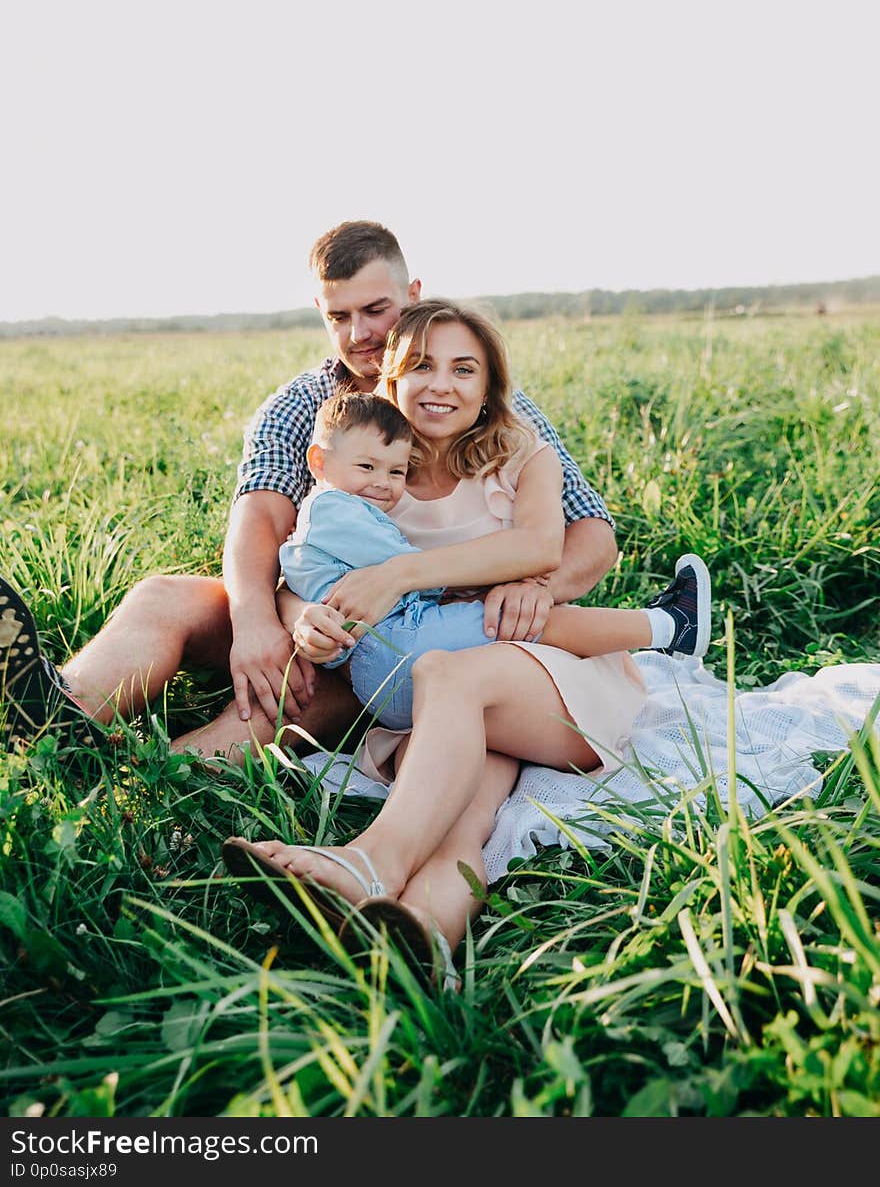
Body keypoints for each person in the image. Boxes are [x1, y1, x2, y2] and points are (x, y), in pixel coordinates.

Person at [222, 299, 712, 981]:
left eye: (463, 369)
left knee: (447, 673)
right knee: (465, 811)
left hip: (551, 680)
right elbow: (312, 558)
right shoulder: (373, 471)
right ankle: (422, 935)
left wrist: (402, 575)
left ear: (488, 387)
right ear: (387, 378)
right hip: (458, 708)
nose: (441, 385)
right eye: (421, 366)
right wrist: (303, 613)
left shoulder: (521, 455)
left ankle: (369, 860)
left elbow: (542, 543)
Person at [0, 221, 618, 758]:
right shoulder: (306, 404)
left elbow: (588, 529)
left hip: (419, 629)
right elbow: (261, 521)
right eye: (338, 317)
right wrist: (258, 623)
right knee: (165, 597)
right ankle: (56, 716)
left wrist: (534, 591)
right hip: (314, 599)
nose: (359, 335)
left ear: (413, 294)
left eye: (376, 310)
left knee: (302, 691)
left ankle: (160, 778)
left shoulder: (476, 400)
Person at [275, 385, 710, 735]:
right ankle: (669, 626)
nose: (383, 484)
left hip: (378, 673)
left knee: (521, 630)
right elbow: (412, 570)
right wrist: (478, 584)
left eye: (396, 472)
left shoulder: (327, 519)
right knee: (530, 622)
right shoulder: (335, 510)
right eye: (367, 467)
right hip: (402, 646)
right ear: (319, 461)